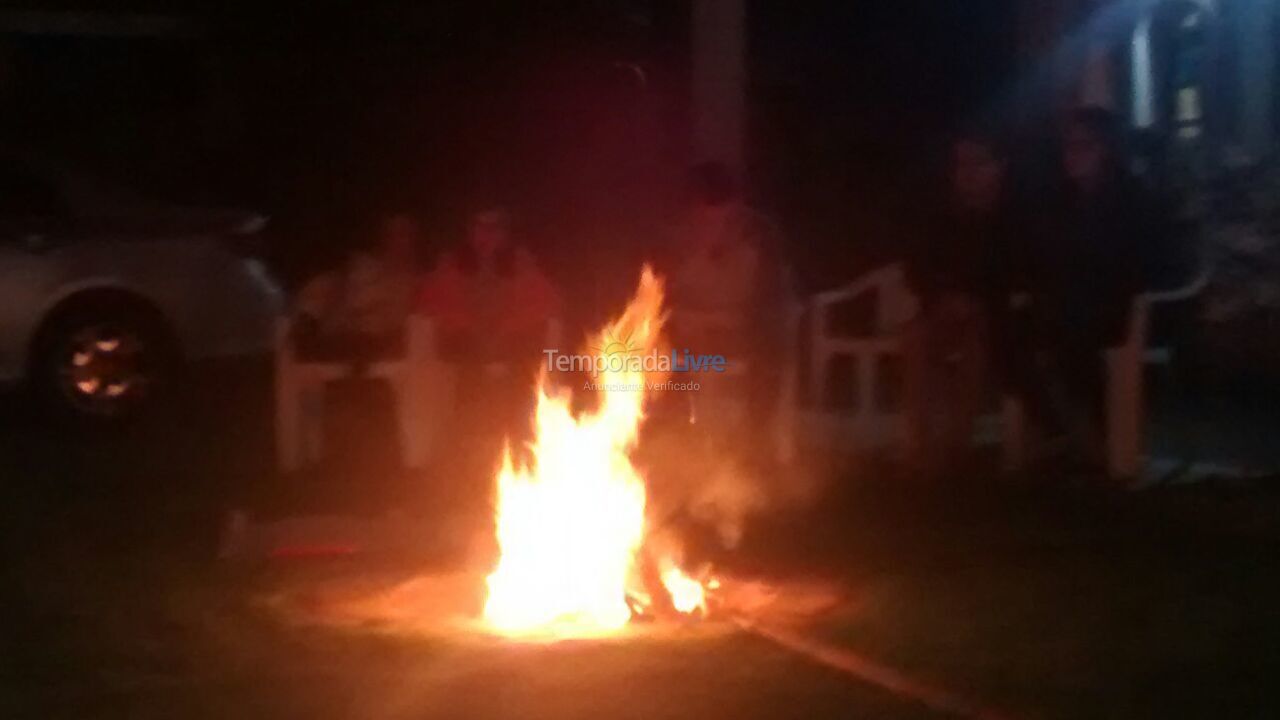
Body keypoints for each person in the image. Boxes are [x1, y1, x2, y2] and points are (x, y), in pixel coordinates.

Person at [1021, 106, 1151, 470]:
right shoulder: (1062, 199)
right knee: (1015, 330)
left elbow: (1128, 261)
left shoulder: (1128, 197)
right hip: (1068, 301)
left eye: (1084, 146)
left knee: (1066, 332)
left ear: (1106, 149)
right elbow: (1043, 253)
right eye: (1068, 146)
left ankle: (1090, 445)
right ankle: (1065, 433)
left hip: (1115, 304)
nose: (1073, 155)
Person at [903, 131, 1023, 475]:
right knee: (915, 335)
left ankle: (955, 449)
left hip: (993, 314)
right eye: (961, 164)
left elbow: (1019, 271)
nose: (966, 172)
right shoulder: (941, 216)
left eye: (976, 163)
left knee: (977, 343)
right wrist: (941, 297)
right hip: (943, 309)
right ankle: (919, 449)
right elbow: (918, 267)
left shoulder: (1013, 218)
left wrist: (978, 300)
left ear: (999, 167)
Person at [666, 162, 793, 459]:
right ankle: (674, 440)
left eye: (721, 217)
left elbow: (769, 302)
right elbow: (662, 299)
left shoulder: (759, 239)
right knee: (660, 358)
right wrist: (686, 317)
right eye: (703, 218)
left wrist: (729, 320)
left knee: (768, 354)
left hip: (745, 333)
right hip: (690, 336)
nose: (712, 227)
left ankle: (756, 443)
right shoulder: (676, 241)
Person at [292, 211, 421, 364]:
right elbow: (310, 328)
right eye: (394, 235)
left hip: (390, 361)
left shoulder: (414, 283)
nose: (402, 242)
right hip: (338, 358)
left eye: (406, 235)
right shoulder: (357, 274)